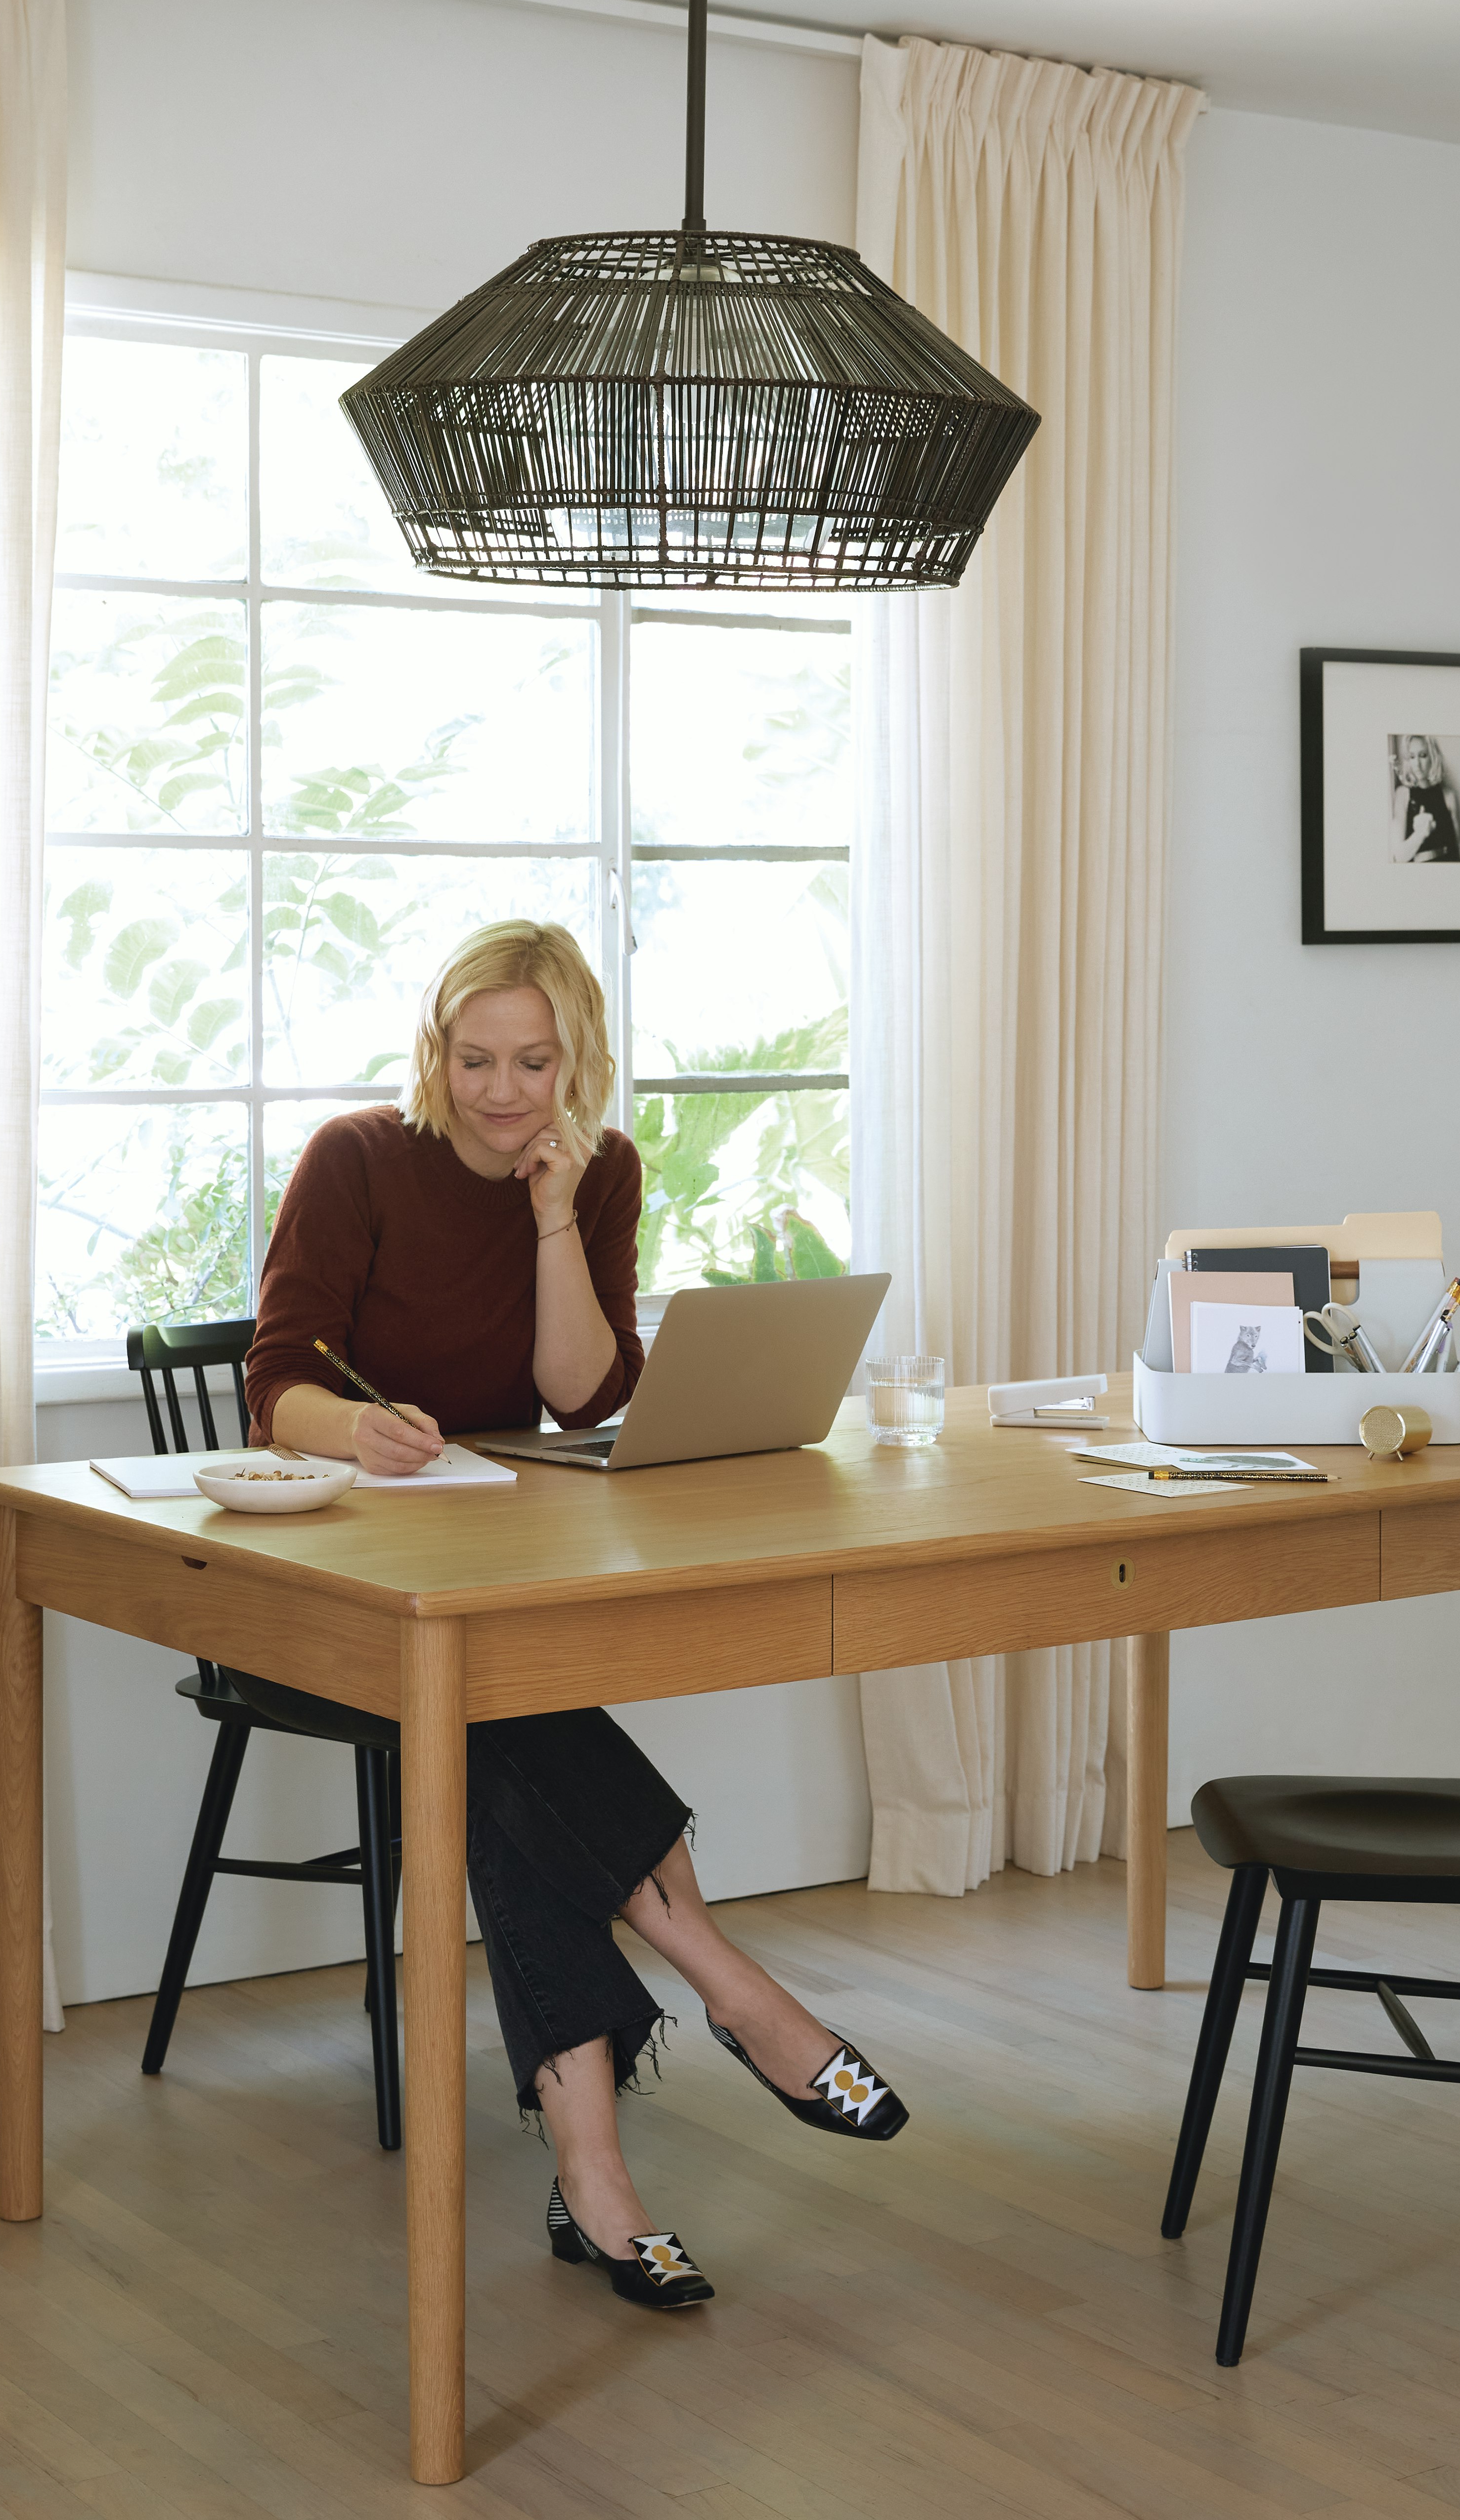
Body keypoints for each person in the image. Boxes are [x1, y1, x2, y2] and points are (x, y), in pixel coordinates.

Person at [241, 918, 906, 2312]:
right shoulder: (357, 1160)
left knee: (494, 1723)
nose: (500, 1093)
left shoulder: (593, 1176)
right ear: (435, 1053)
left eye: (533, 1062)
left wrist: (552, 1215)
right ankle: (733, 1990)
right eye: (474, 1060)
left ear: (576, 1059)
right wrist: (352, 1428)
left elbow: (584, 1394)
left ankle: (595, 2174)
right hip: (337, 1574)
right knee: (499, 1710)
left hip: (481, 1557)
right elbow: (275, 1385)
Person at [1390, 733, 1460, 863]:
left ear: (1433, 757)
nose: (1417, 764)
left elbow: (1459, 850)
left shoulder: (1448, 796)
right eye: (1412, 757)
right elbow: (1399, 857)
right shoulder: (1403, 794)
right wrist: (1421, 834)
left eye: (1423, 756)